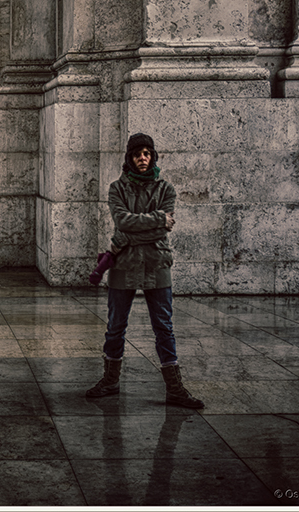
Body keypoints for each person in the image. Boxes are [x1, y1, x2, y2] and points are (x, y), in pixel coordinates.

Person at [86, 133, 203, 409]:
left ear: (153, 157)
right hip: (124, 267)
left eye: (147, 153)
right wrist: (157, 221)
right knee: (115, 327)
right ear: (130, 157)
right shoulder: (117, 188)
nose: (143, 158)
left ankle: (175, 388)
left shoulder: (167, 190)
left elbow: (131, 229)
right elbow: (123, 221)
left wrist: (123, 240)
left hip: (156, 264)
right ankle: (110, 381)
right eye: (138, 153)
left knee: (164, 328)